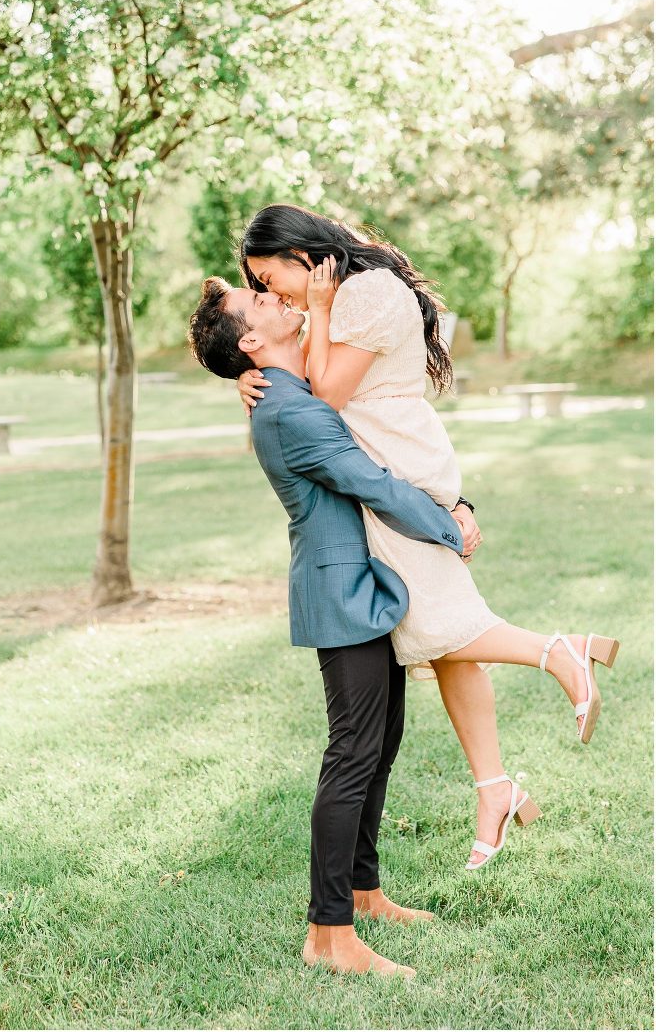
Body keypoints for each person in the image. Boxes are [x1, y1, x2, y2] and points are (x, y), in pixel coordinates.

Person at [237, 202, 620, 872]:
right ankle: (495, 789)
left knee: (436, 625)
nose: (271, 295)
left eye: (271, 279)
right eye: (261, 288)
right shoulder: (335, 298)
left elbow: (324, 395)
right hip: (388, 473)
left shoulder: (360, 294)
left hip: (398, 476)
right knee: (440, 634)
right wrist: (249, 371)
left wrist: (318, 312)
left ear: (304, 258)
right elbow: (296, 378)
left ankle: (561, 652)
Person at [189, 276, 473, 978]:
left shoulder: (292, 392)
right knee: (352, 753)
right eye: (258, 302)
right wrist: (455, 521)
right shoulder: (289, 410)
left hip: (362, 582)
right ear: (252, 340)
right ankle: (328, 932)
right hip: (340, 588)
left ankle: (365, 891)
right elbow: (373, 481)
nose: (274, 295)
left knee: (381, 742)